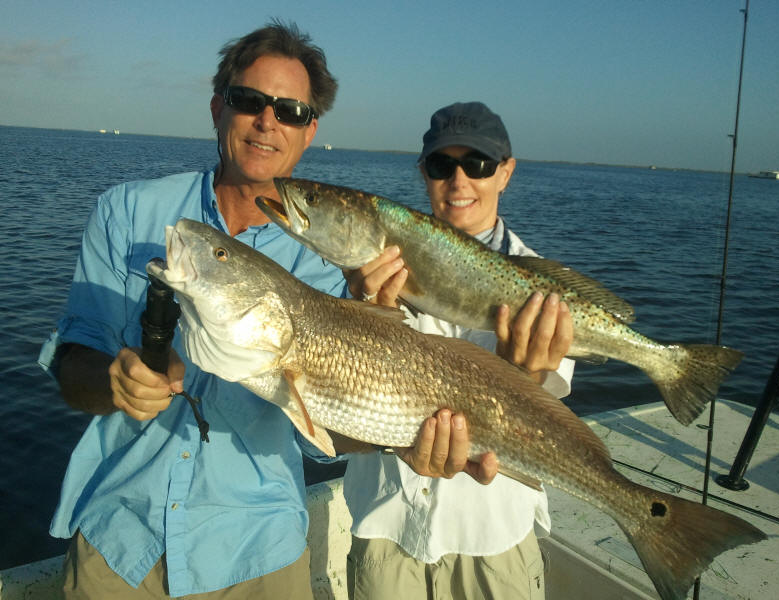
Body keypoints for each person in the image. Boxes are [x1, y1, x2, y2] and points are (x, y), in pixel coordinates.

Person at [37, 23, 492, 599]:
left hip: (259, 552)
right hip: (120, 543)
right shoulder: (128, 211)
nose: (267, 121)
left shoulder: (334, 265)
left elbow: (320, 430)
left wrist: (404, 438)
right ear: (217, 108)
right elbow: (73, 361)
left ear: (309, 131)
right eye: (249, 100)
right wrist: (113, 381)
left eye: (291, 111)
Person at [343, 102, 576, 600]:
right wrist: (363, 317)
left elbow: (552, 424)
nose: (459, 180)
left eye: (478, 164)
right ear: (423, 173)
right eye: (441, 164)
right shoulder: (366, 272)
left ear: (506, 172)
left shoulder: (547, 291)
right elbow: (340, 405)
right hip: (387, 527)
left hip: (492, 536)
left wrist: (527, 378)